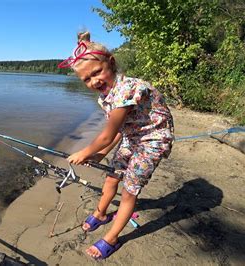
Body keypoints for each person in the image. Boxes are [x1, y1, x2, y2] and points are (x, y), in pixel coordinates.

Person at [59, 31, 174, 260]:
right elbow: (118, 131)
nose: (94, 81)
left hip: (153, 140)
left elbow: (105, 135)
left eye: (97, 72)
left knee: (129, 191)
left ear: (111, 62)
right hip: (133, 136)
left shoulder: (126, 90)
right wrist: (100, 154)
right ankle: (101, 214)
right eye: (87, 80)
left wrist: (84, 152)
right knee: (112, 176)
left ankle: (111, 238)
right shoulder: (106, 96)